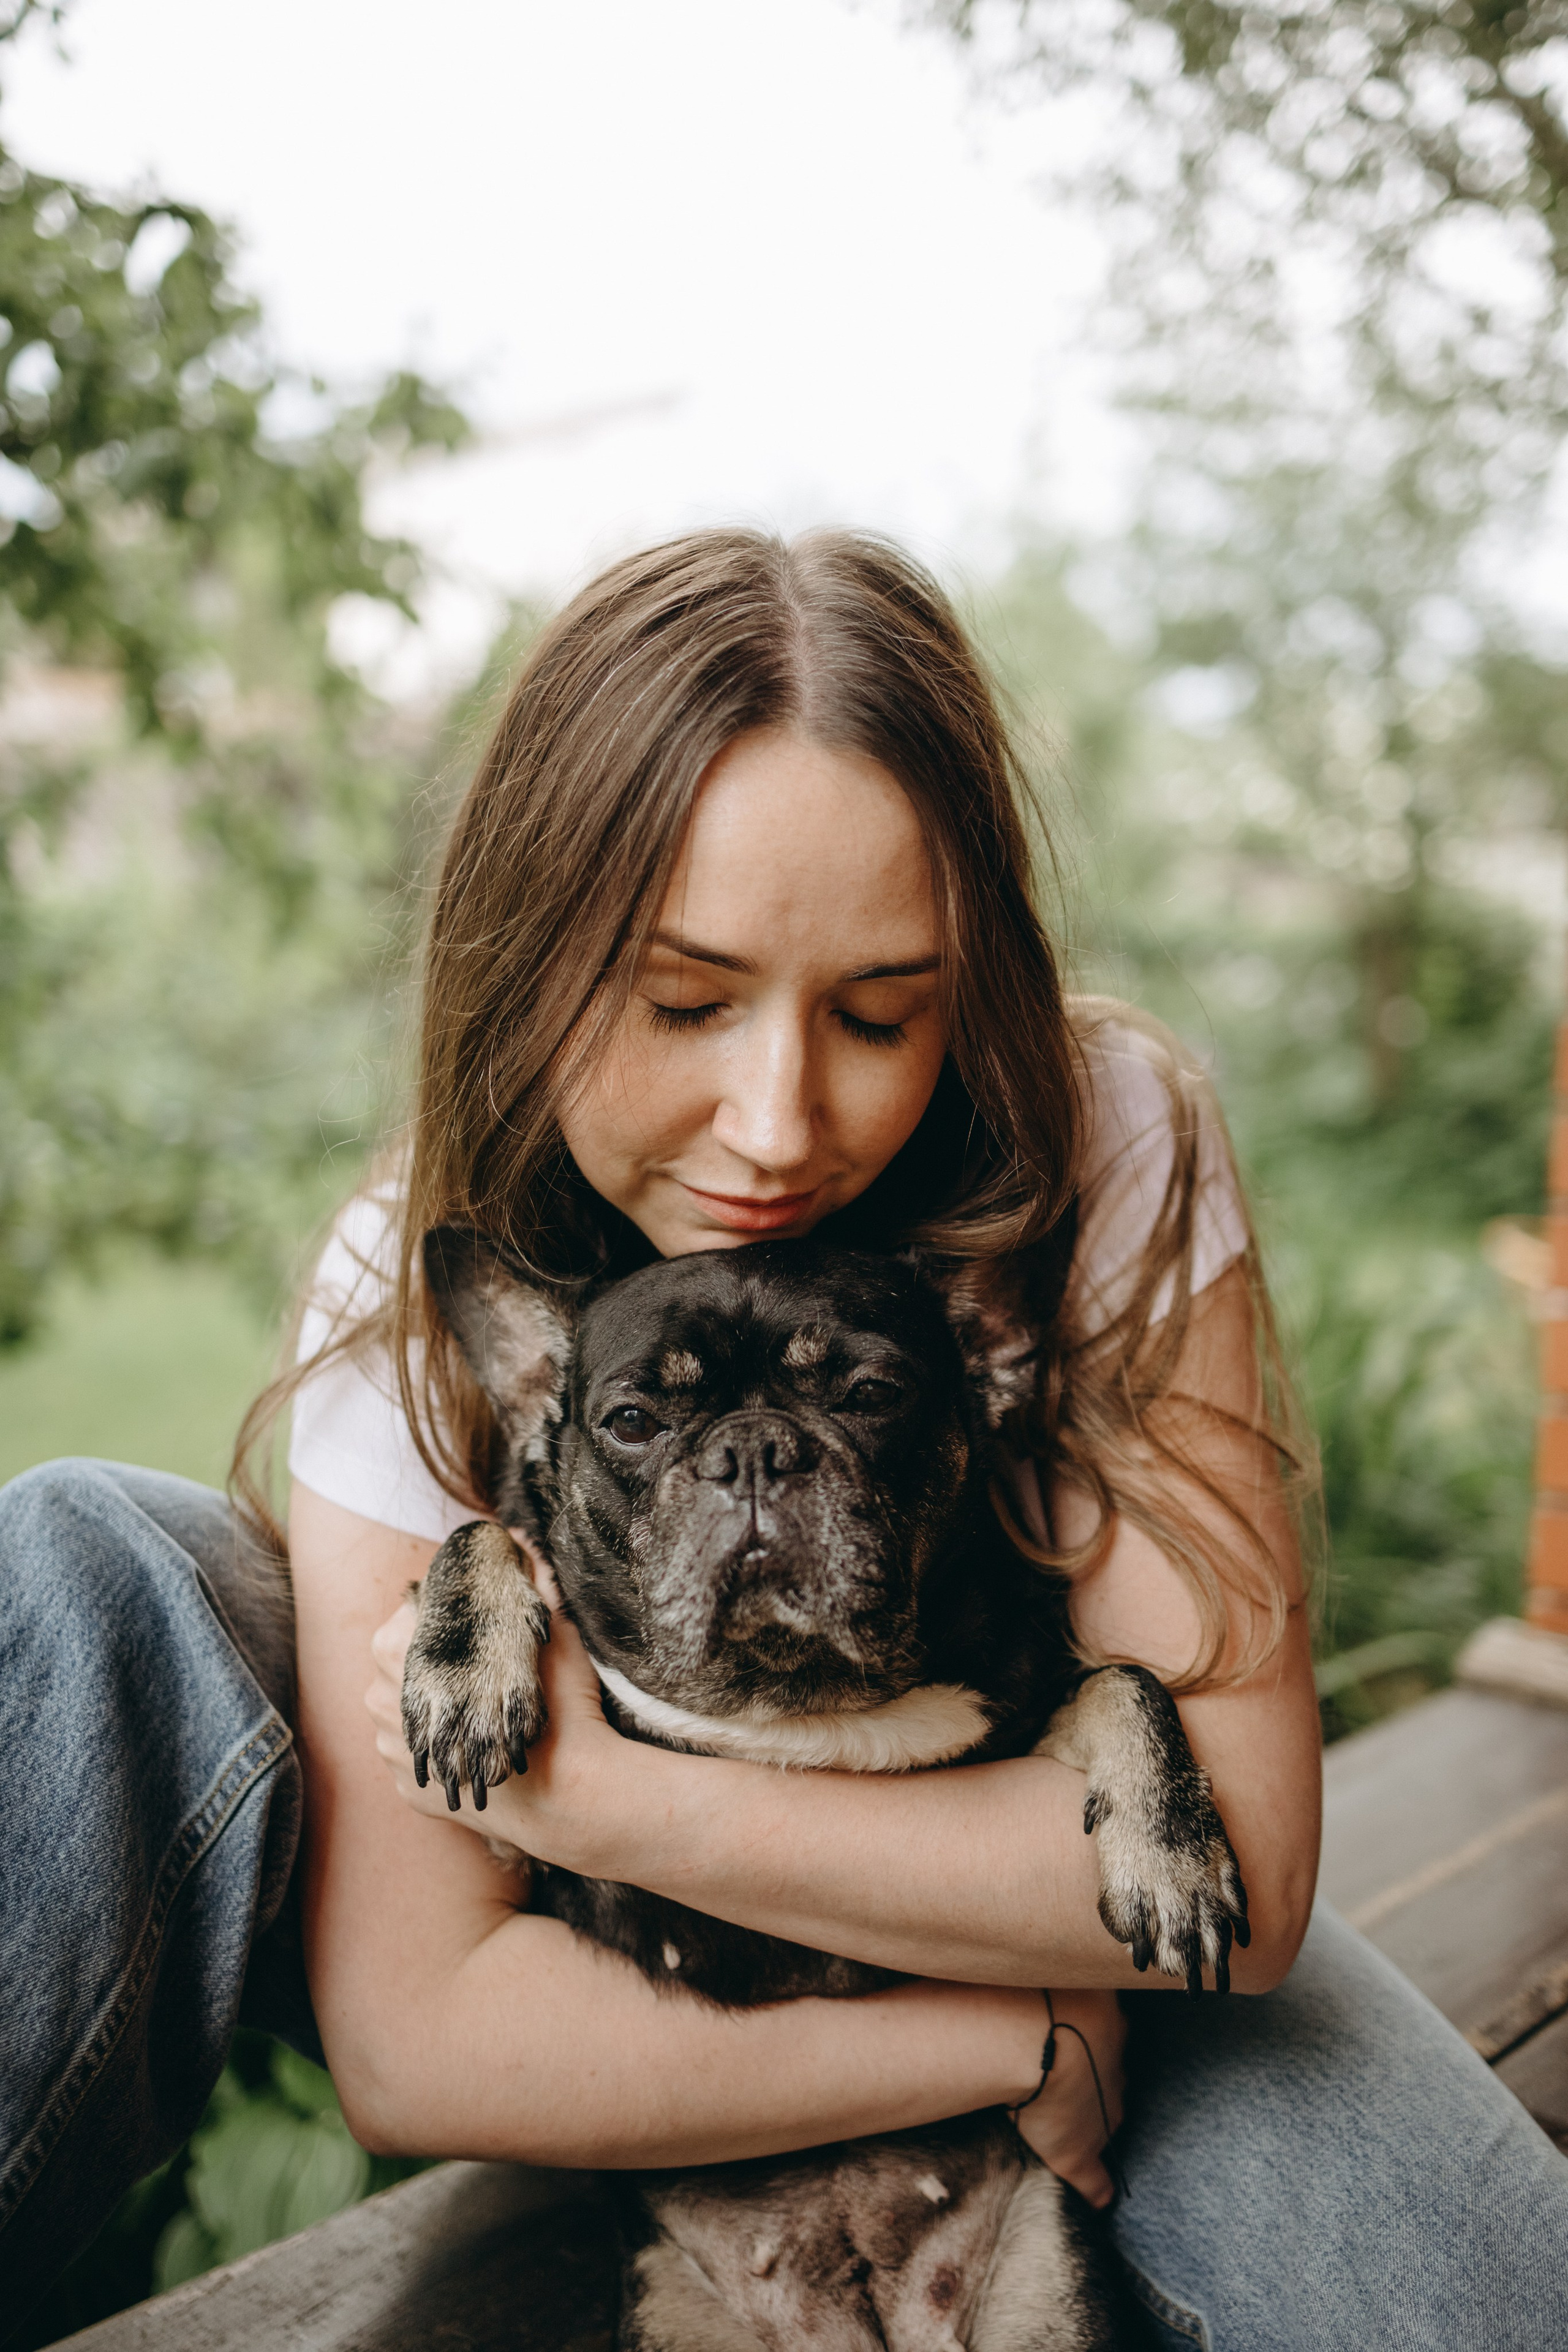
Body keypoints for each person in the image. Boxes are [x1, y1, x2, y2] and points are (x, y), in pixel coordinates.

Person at [2, 530, 1564, 2350]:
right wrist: (1004, 2034)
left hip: (1061, 1922)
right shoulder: (420, 1276)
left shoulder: (1103, 1132)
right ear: (533, 959)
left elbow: (1248, 1875)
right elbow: (423, 2038)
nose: (779, 1119)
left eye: (886, 1013)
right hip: (763, 1989)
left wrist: (599, 1794)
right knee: (85, 1544)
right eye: (683, 1002)